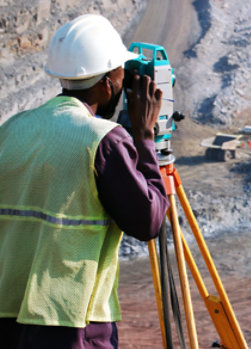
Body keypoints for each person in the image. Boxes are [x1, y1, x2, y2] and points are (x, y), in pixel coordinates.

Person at [0, 14, 169, 348]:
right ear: (108, 81)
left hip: (8, 318)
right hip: (73, 324)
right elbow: (149, 221)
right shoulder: (104, 140)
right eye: (122, 73)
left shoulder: (12, 128)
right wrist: (145, 137)